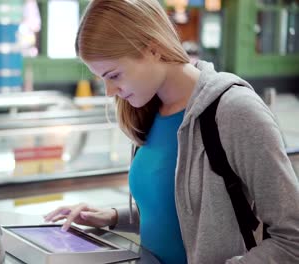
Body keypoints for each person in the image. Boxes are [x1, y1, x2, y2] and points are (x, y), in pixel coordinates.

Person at [43, 0, 299, 263]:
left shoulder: (235, 111)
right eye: (102, 79)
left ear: (153, 49)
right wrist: (114, 216)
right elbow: (184, 216)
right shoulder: (148, 109)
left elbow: (292, 239)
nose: (109, 92)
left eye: (115, 75)